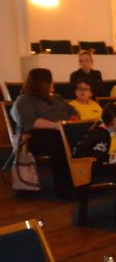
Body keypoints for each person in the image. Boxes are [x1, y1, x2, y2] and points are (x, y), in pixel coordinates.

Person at [11, 68, 77, 197]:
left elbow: (72, 111)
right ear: (43, 84)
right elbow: (30, 122)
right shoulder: (24, 100)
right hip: (34, 138)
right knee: (57, 140)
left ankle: (79, 180)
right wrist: (55, 126)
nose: (53, 83)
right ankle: (63, 187)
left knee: (74, 137)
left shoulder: (56, 98)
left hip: (59, 132)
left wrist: (73, 120)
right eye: (51, 81)